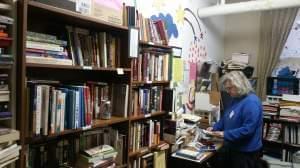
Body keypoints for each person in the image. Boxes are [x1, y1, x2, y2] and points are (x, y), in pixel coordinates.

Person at [207, 71, 263, 168]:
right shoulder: (236, 98)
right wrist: (215, 128)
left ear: (240, 85)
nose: (228, 91)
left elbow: (247, 130)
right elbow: (226, 118)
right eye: (226, 88)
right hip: (232, 147)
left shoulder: (251, 102)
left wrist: (224, 134)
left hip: (246, 152)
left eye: (230, 88)